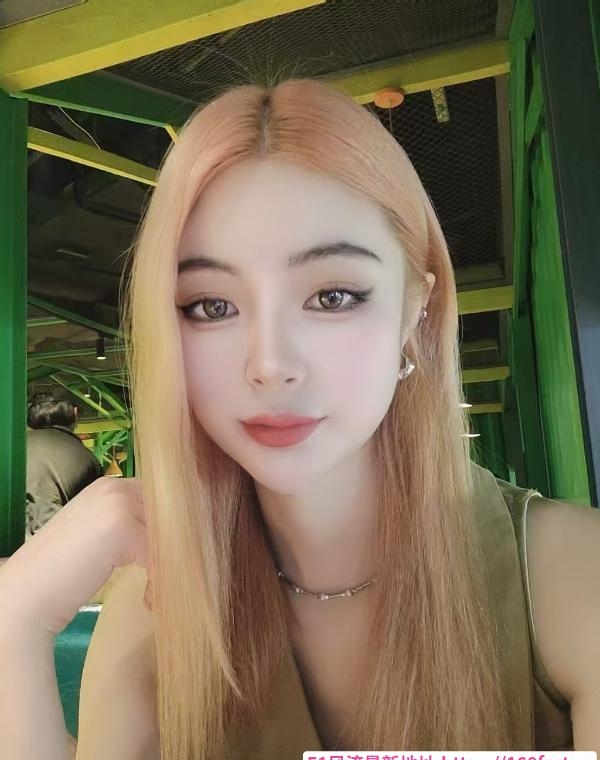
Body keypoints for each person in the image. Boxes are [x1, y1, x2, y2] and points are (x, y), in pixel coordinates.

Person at [0, 78, 599, 760]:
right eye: (211, 306)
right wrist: (15, 622)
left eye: (332, 295)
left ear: (416, 312)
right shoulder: (157, 606)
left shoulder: (570, 579)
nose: (270, 364)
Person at [25, 393, 104, 540]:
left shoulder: (15, 448)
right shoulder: (88, 458)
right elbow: (93, 517)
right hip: (60, 543)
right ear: (74, 413)